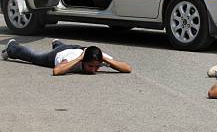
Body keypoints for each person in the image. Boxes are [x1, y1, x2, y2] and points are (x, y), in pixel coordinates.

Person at [1, 39, 132, 76]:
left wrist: (106, 59)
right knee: (34, 56)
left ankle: (57, 43)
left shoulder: (99, 57)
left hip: (75, 46)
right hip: (58, 54)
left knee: (66, 46)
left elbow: (128, 68)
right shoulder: (73, 58)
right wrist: (78, 59)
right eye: (90, 66)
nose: (93, 70)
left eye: (97, 66)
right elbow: (57, 71)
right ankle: (12, 47)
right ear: (83, 60)